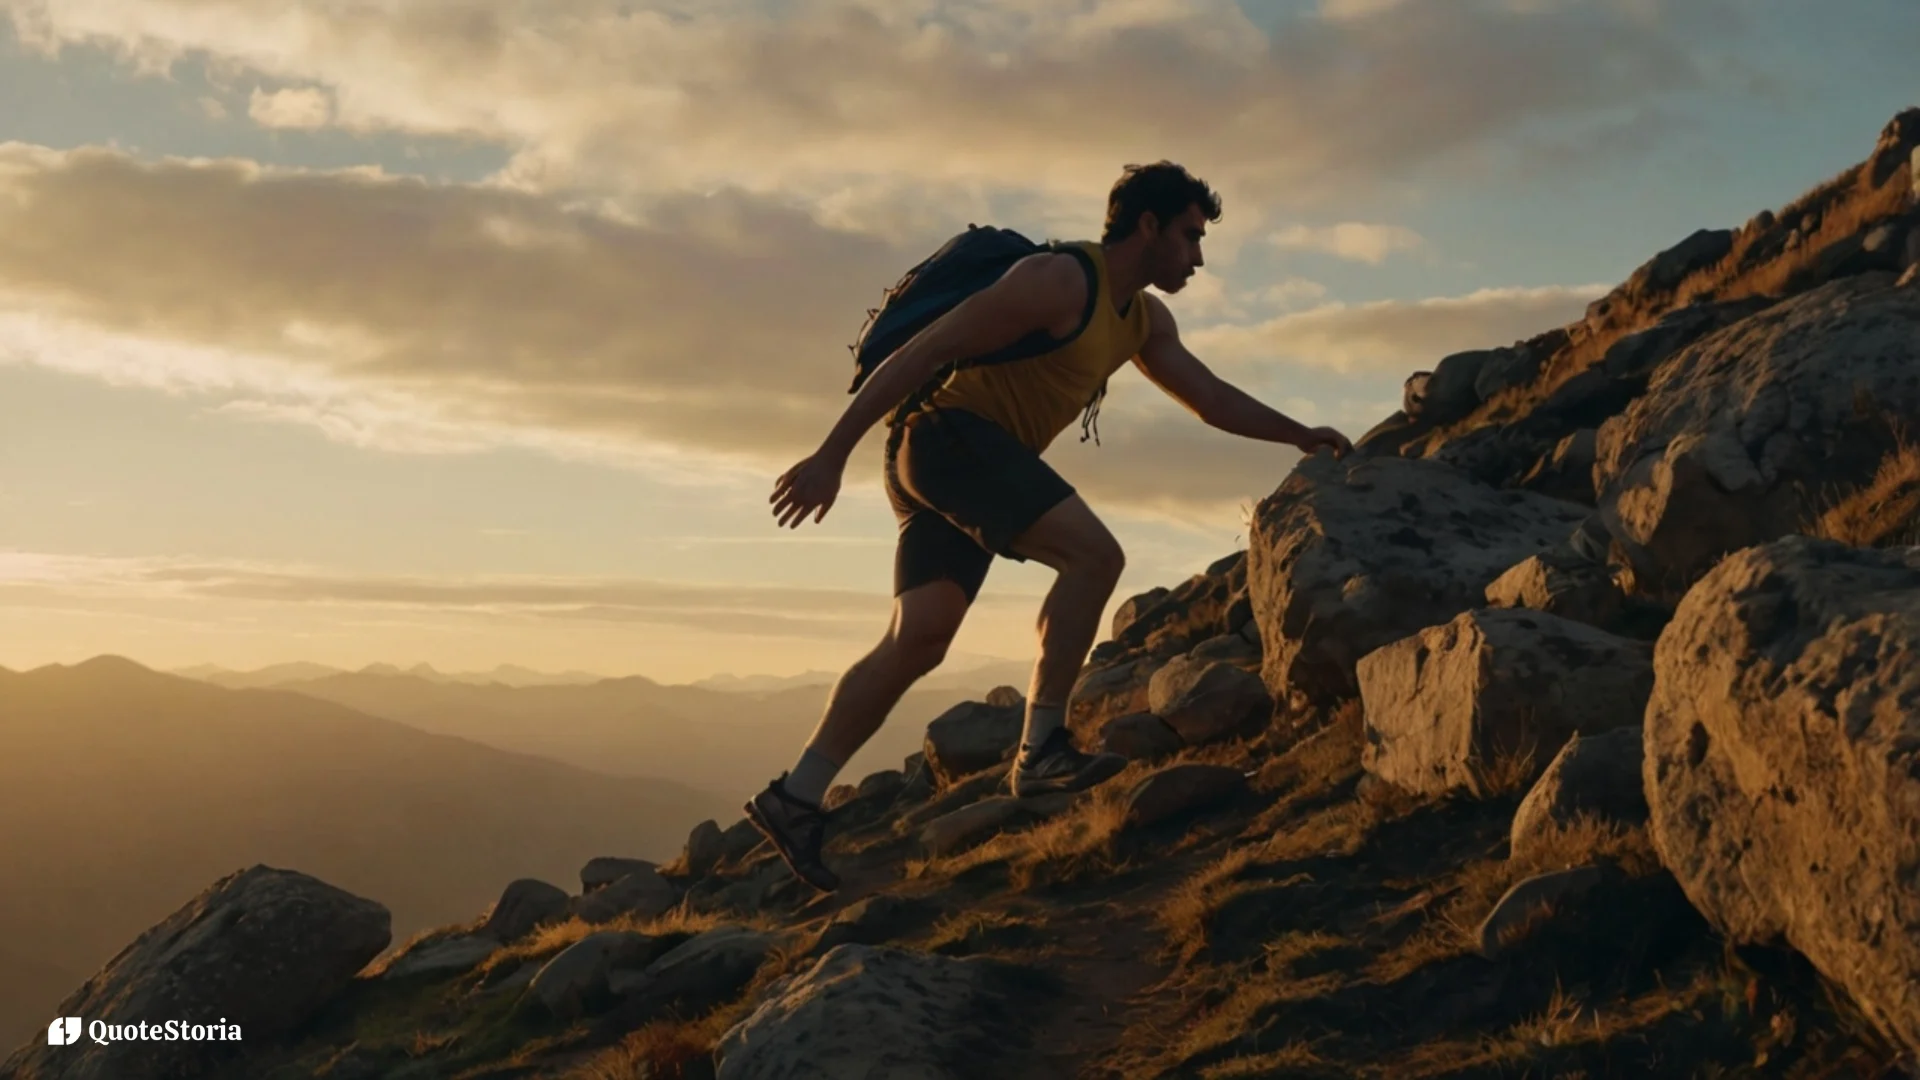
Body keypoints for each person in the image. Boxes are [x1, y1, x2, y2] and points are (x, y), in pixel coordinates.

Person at [746, 161, 1352, 892]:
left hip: (953, 456)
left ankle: (795, 799)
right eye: (1191, 235)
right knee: (1095, 559)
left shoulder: (1143, 320)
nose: (1198, 256)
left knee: (922, 635)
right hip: (946, 440)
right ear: (1148, 225)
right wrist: (830, 454)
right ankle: (1041, 752)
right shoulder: (1061, 281)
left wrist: (1298, 434)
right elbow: (927, 350)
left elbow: (1211, 397)